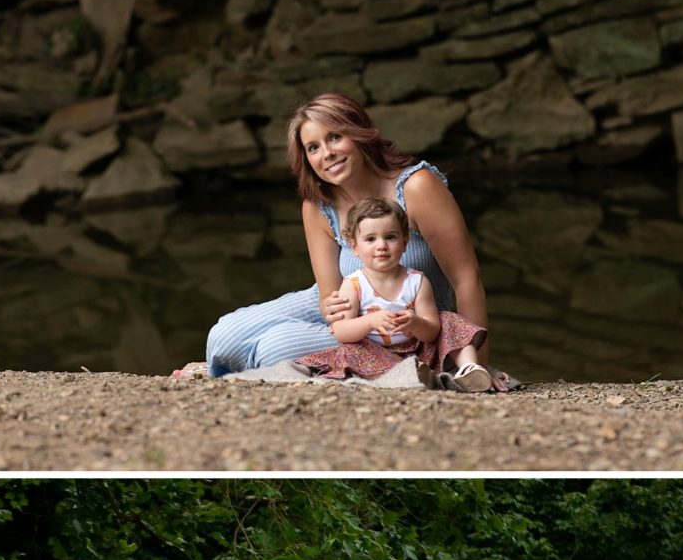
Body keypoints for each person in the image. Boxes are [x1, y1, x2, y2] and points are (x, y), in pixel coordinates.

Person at [190, 92, 509, 387]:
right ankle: (225, 370)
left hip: (405, 317)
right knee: (223, 335)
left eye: (334, 137)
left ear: (358, 134)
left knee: (274, 348)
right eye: (313, 147)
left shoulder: (416, 187)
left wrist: (477, 366)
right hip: (350, 305)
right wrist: (333, 310)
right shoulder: (318, 205)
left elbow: (466, 278)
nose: (326, 154)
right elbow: (330, 299)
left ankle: (243, 372)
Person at [293, 198, 493, 389]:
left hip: (420, 350)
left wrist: (416, 323)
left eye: (390, 237)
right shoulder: (354, 284)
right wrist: (370, 322)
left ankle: (469, 368)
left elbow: (432, 332)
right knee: (350, 351)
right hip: (374, 353)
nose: (381, 246)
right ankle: (410, 374)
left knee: (448, 319)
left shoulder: (417, 281)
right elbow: (341, 331)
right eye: (370, 239)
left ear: (404, 242)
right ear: (354, 247)